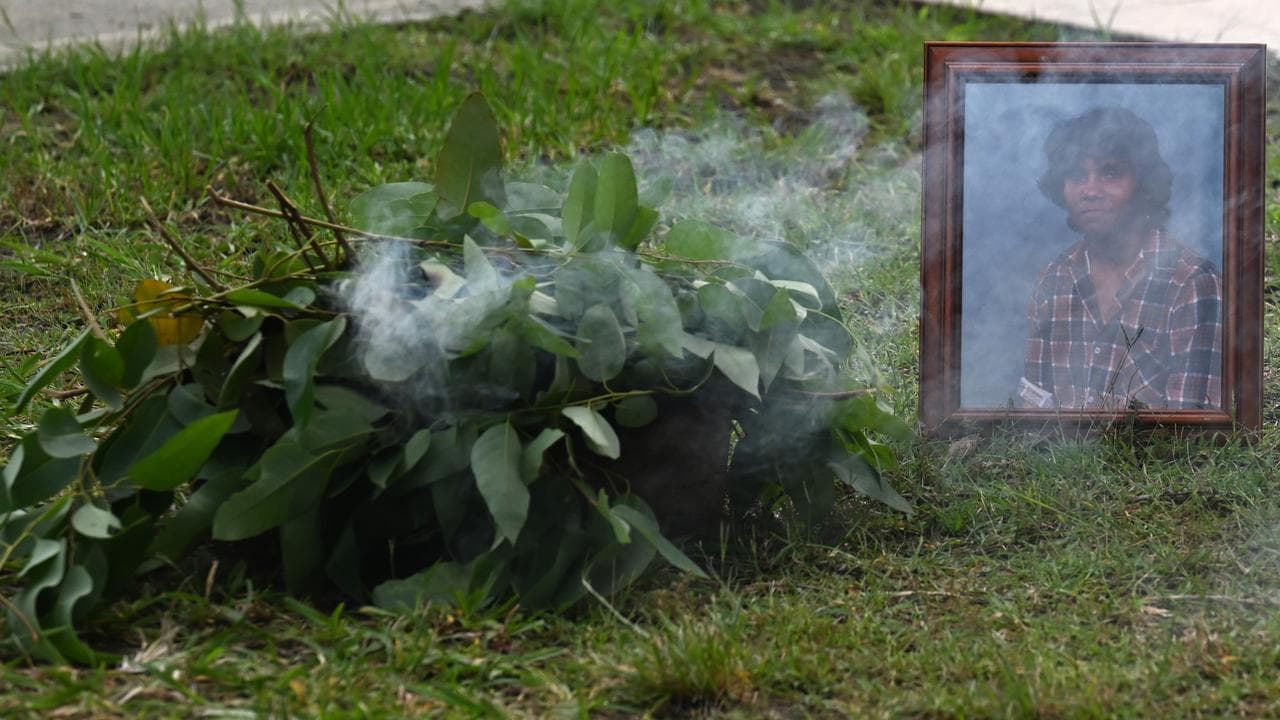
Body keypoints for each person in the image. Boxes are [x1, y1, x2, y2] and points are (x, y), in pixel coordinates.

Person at [1018, 106, 1222, 410]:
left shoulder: (1192, 283)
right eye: (1076, 175)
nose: (1091, 190)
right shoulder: (1054, 280)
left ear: (1144, 184)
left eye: (1110, 172)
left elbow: (1191, 434)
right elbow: (1032, 412)